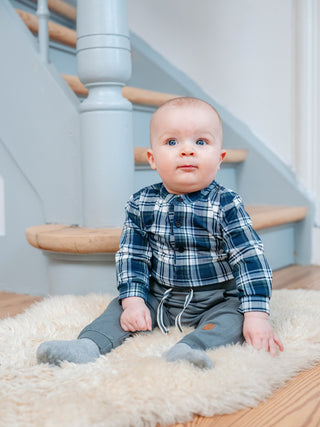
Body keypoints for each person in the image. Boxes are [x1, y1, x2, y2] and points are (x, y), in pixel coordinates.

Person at [37, 97, 284, 369]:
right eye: (172, 142)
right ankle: (88, 345)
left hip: (217, 297)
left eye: (201, 142)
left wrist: (257, 315)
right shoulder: (141, 203)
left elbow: (249, 258)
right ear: (152, 159)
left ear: (220, 158)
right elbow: (133, 255)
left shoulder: (226, 204)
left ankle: (190, 350)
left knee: (234, 319)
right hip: (160, 294)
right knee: (118, 308)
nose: (187, 151)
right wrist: (133, 301)